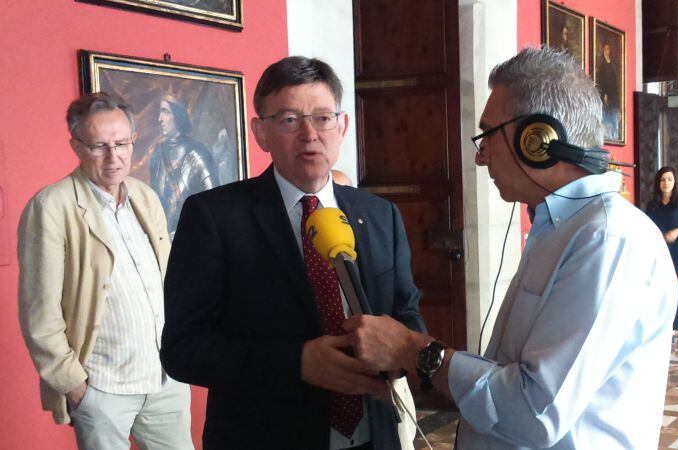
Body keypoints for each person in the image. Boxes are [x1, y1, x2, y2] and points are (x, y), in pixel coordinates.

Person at [343, 47, 678, 449]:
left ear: (537, 140)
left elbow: (534, 414)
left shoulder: (606, 241)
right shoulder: (562, 228)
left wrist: (412, 350)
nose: (481, 157)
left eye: (488, 135)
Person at [160, 56, 426, 450]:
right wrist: (297, 363)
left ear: (343, 126)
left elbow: (407, 314)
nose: (309, 134)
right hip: (264, 436)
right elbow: (183, 350)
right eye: (289, 119)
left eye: (322, 118)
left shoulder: (380, 214)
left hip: (375, 436)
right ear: (260, 133)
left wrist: (401, 359)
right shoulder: (213, 217)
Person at [17, 92, 193, 450]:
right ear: (76, 146)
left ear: (133, 141)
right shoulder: (51, 207)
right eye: (99, 146)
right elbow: (39, 312)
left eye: (122, 143)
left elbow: (168, 281)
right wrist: (75, 385)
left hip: (165, 379)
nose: (114, 157)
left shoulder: (145, 196)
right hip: (102, 388)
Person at [150, 94, 219, 239]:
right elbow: (153, 201)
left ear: (177, 115)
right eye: (160, 111)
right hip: (161, 239)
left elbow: (215, 204)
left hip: (194, 238)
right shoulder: (158, 153)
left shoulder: (197, 154)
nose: (159, 118)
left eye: (166, 112)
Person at [645, 166, 678, 331]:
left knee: (675, 289)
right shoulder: (652, 205)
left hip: (677, 252)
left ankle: (673, 328)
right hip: (657, 252)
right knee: (657, 288)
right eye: (663, 180)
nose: (666, 183)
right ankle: (659, 326)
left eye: (669, 179)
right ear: (658, 183)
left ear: (675, 182)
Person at [596, 42, 620, 140]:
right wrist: (604, 94)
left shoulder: (612, 65)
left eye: (608, 49)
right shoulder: (603, 66)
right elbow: (601, 82)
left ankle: (614, 136)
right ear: (603, 51)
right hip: (606, 96)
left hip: (613, 97)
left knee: (614, 120)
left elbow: (615, 85)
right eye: (606, 49)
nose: (607, 51)